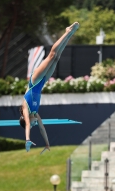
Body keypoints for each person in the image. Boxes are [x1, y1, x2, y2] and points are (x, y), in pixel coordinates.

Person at [19, 21, 79, 153]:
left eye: (32, 123)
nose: (35, 123)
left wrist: (27, 139)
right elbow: (42, 129)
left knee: (51, 55)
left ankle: (67, 32)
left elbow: (28, 124)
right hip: (43, 82)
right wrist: (47, 144)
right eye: (35, 123)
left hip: (35, 81)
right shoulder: (36, 113)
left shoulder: (26, 109)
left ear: (25, 118)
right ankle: (70, 34)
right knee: (56, 58)